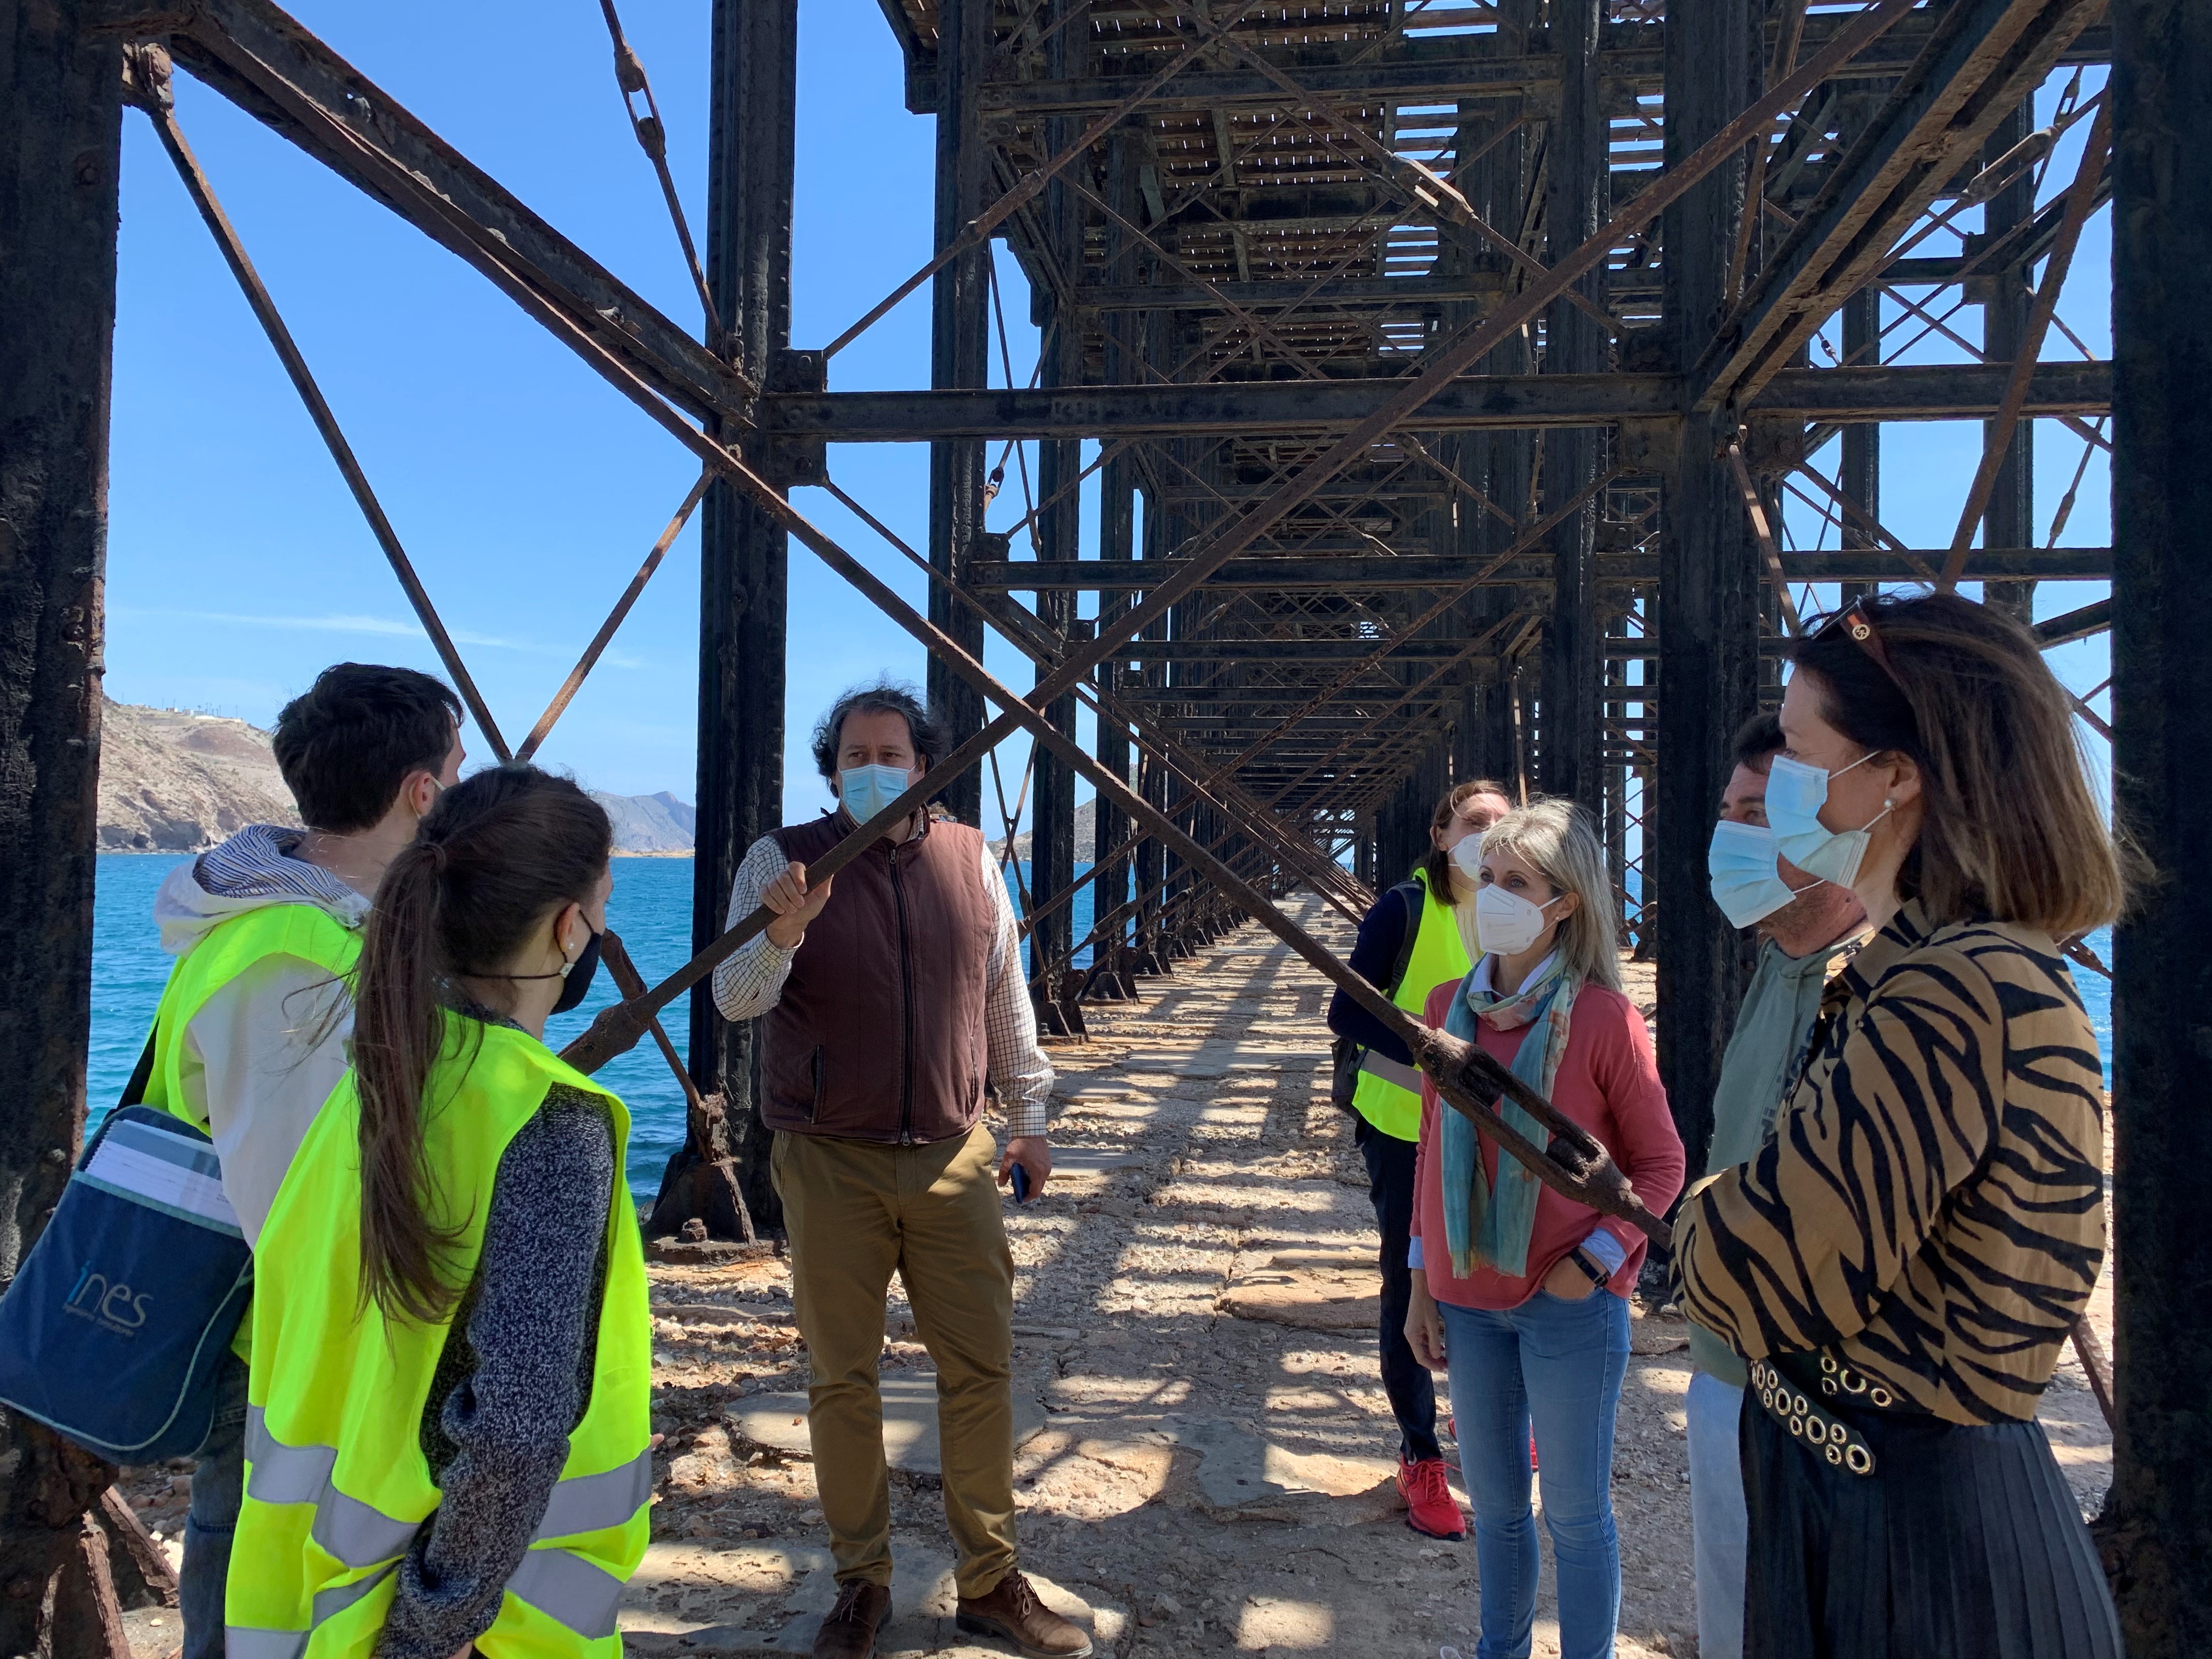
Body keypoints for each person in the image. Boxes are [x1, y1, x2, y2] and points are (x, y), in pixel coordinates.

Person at [1674, 592, 2124, 1659]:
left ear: (1894, 775)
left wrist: (1701, 1210)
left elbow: (1752, 1271)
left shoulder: (1950, 993)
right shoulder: (1969, 967)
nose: (1778, 782)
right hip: (1907, 1512)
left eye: (1796, 751)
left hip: (1922, 1557)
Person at [224, 765, 651, 1659]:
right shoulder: (548, 1119)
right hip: (480, 1624)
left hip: (298, 1595)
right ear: (570, 928)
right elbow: (519, 1425)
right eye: (602, 905)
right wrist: (432, 1629)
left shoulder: (366, 1083)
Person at [712, 682, 1086, 1659]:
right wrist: (786, 929)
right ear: (832, 769)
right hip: (829, 1155)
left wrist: (1030, 1118)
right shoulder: (781, 858)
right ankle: (859, 1584)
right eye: (851, 754)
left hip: (954, 1151)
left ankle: (991, 1581)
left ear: (926, 766)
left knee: (981, 1369)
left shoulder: (972, 857)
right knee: (843, 1378)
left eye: (890, 752)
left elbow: (1003, 991)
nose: (869, 767)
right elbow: (736, 1000)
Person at [139, 662, 463, 1659]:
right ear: (420, 792)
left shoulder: (281, 927)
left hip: (280, 1326)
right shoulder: (295, 955)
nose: (455, 794)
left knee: (247, 1540)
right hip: (288, 1341)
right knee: (256, 1557)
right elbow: (301, 1189)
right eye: (452, 773)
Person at [1404, 799, 1685, 1659]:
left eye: (1516, 883)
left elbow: (1661, 1168)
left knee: (1574, 1512)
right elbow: (1428, 1160)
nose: (1493, 895)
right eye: (1486, 878)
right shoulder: (1450, 1009)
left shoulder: (1602, 1019)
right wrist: (1419, 1287)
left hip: (1567, 1304)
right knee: (1495, 1509)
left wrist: (1593, 1265)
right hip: (1467, 1300)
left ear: (1562, 903)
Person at [1688, 712, 1870, 1659]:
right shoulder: (1777, 963)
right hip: (1727, 1373)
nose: (1728, 836)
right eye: (1727, 812)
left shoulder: (1894, 993)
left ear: (1828, 829)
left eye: (1755, 813)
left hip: (1830, 1408)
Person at [1325, 777, 1511, 1540]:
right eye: (1472, 823)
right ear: (1440, 834)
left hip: (1493, 1131)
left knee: (1490, 1271)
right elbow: (1345, 1008)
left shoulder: (1520, 909)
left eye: (1502, 825)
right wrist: (1432, 1049)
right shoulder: (1404, 908)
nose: (1486, 836)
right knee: (1413, 1282)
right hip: (1404, 1125)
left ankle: (1482, 1415)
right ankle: (1420, 1452)